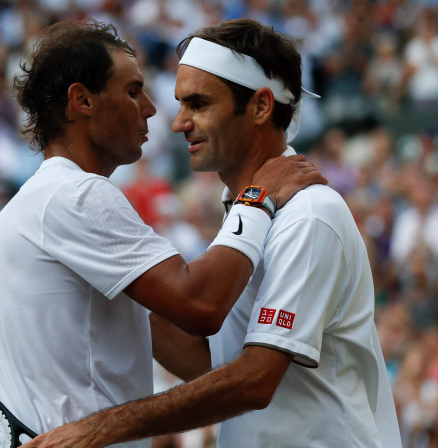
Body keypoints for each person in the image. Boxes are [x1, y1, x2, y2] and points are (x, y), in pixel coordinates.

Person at [26, 19, 401, 448]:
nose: (177, 122)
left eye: (198, 104)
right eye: (181, 104)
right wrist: (118, 284)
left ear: (261, 107)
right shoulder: (249, 213)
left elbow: (255, 380)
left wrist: (100, 428)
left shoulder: (309, 214)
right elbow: (212, 365)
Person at [0, 19, 325, 448]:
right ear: (81, 100)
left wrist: (259, 370)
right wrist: (257, 198)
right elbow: (200, 306)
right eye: (133, 91)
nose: (154, 110)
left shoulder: (29, 207)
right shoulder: (77, 195)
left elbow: (197, 359)